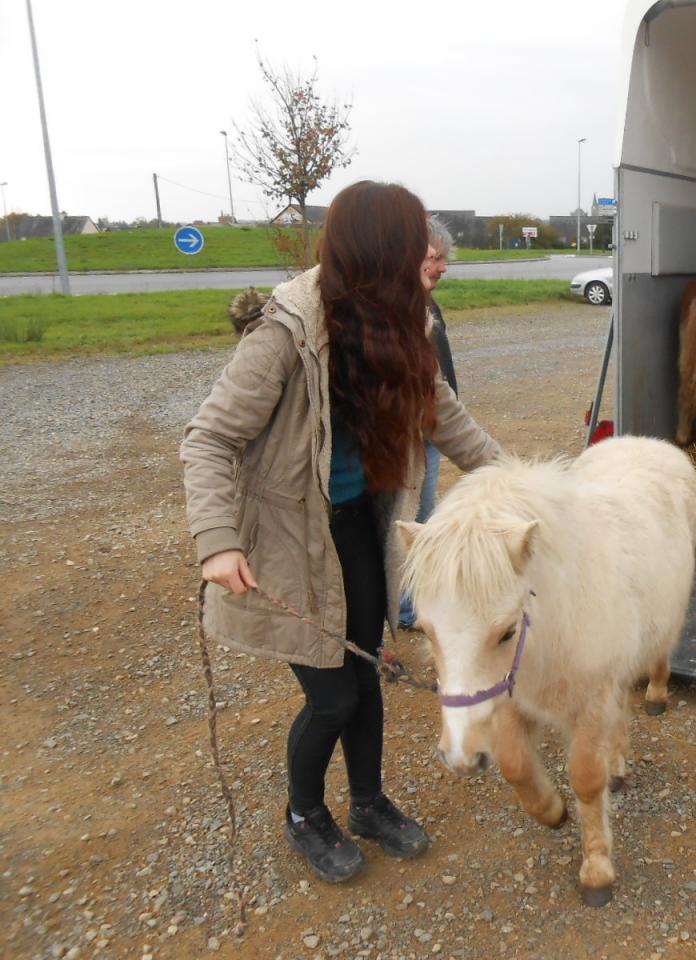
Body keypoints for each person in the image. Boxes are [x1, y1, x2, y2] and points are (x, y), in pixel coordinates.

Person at [180, 181, 501, 883]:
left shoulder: (402, 323)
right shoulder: (287, 330)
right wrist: (217, 541)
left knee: (367, 677)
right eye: (414, 239)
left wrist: (522, 485)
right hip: (292, 540)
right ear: (380, 248)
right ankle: (305, 814)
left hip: (357, 529)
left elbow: (448, 417)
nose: (429, 254)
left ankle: (367, 802)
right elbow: (209, 439)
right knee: (333, 696)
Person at [398, 215, 458, 629]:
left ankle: (413, 602)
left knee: (423, 515)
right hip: (414, 437)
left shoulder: (425, 304)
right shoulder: (401, 312)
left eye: (442, 259)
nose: (442, 267)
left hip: (430, 431)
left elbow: (437, 387)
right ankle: (406, 608)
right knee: (409, 523)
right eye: (434, 258)